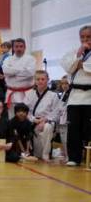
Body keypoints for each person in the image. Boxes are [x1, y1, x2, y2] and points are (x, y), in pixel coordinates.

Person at [60, 25, 91, 166]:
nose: (85, 40)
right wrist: (78, 55)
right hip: (75, 97)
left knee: (88, 129)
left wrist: (81, 65)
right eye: (82, 37)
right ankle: (74, 157)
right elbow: (68, 68)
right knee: (74, 129)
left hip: (90, 96)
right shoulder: (73, 52)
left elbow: (87, 69)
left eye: (88, 37)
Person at [24, 70, 58, 161]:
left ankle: (45, 154)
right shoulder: (29, 94)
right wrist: (33, 120)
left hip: (47, 121)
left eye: (43, 79)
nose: (40, 81)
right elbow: (25, 111)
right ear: (35, 81)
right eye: (38, 79)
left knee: (47, 127)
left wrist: (45, 120)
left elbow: (56, 112)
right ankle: (29, 152)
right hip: (33, 121)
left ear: (47, 80)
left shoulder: (53, 95)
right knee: (36, 154)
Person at [3, 38, 36, 115]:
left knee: (28, 116)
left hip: (27, 93)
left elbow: (30, 73)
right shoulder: (7, 59)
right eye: (16, 46)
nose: (18, 48)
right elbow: (6, 71)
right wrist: (22, 70)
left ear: (25, 47)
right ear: (13, 48)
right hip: (12, 93)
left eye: (21, 46)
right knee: (12, 116)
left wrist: (13, 73)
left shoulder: (31, 59)